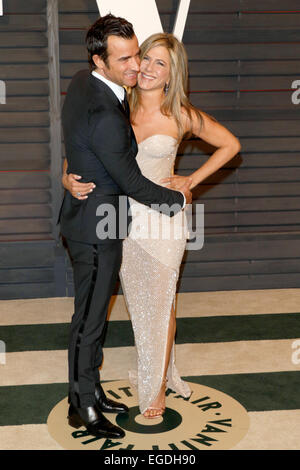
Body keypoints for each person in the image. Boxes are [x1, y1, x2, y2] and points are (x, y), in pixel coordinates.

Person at [63, 32, 241, 419]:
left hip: (163, 222)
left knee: (160, 306)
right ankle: (164, 368)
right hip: (121, 222)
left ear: (171, 74)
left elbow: (230, 144)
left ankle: (156, 386)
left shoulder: (180, 114)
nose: (147, 67)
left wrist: (190, 181)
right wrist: (67, 176)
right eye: (146, 57)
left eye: (160, 63)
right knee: (142, 307)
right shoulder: (117, 105)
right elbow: (82, 145)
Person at [59, 16, 192, 439]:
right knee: (90, 320)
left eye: (137, 53)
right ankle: (81, 407)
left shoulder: (85, 81)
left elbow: (74, 138)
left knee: (94, 316)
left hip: (96, 220)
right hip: (99, 227)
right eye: (126, 58)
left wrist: (71, 170)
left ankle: (91, 392)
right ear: (100, 60)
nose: (136, 64)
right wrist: (180, 199)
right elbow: (132, 182)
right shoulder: (107, 113)